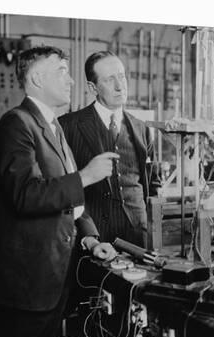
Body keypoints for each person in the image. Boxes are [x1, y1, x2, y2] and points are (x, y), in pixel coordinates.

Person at [0, 46, 118, 337]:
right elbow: (25, 195)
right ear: (38, 79)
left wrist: (91, 239)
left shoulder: (53, 127)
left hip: (53, 277)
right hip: (26, 284)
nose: (70, 81)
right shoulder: (17, 123)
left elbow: (69, 200)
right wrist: (86, 176)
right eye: (62, 72)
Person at [59, 51, 159, 248]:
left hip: (138, 237)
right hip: (91, 238)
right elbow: (62, 190)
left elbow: (153, 182)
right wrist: (87, 237)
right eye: (109, 79)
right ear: (93, 87)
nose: (119, 85)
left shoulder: (142, 128)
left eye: (121, 76)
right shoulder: (68, 126)